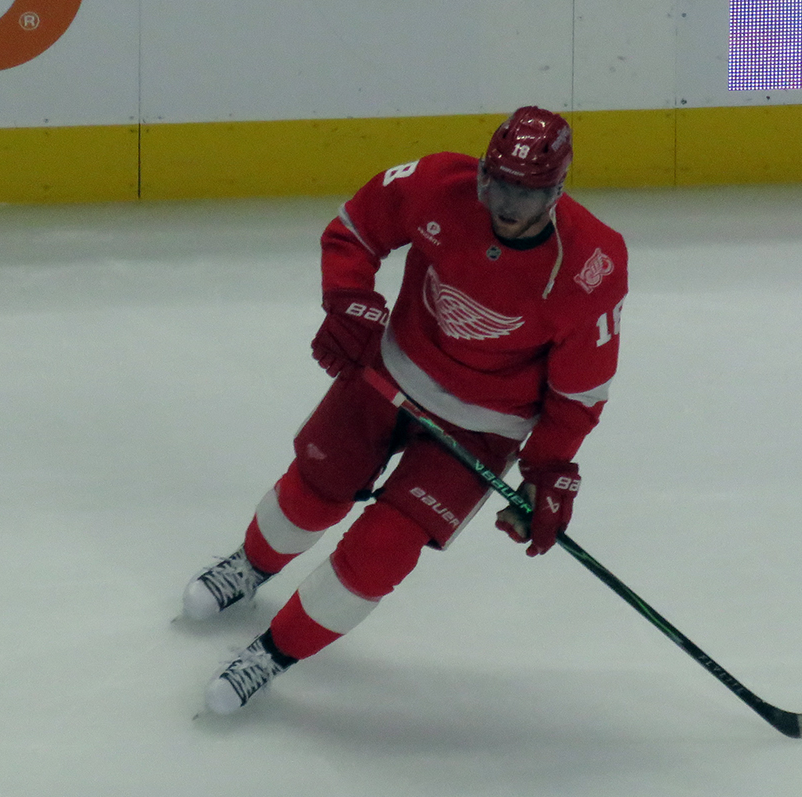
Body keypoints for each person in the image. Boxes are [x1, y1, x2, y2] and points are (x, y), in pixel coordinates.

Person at [183, 106, 628, 714]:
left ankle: (273, 653)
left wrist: (550, 469)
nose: (505, 203)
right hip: (390, 369)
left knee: (381, 552)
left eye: (525, 193)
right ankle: (250, 566)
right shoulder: (437, 184)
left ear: (557, 190)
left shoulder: (591, 265)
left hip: (486, 425)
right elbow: (355, 229)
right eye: (497, 183)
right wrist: (349, 300)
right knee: (312, 493)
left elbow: (580, 390)